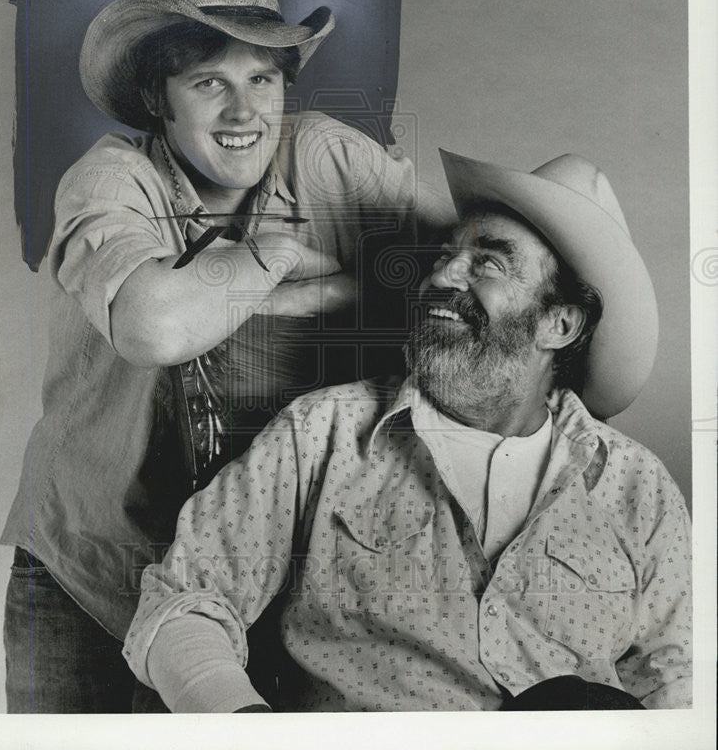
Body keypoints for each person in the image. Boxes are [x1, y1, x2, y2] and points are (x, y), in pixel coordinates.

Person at [1, 0, 452, 712]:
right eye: (209, 82)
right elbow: (154, 329)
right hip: (91, 562)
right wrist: (273, 258)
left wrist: (319, 298)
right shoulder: (110, 180)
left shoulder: (327, 158)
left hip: (253, 567)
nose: (245, 111)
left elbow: (450, 295)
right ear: (156, 99)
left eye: (263, 80)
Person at [123, 150, 692, 712]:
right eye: (446, 256)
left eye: (487, 263)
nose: (443, 274)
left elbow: (675, 683)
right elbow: (185, 602)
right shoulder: (322, 434)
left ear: (558, 324)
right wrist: (246, 734)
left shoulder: (636, 485)